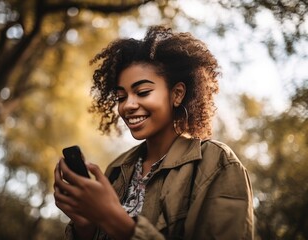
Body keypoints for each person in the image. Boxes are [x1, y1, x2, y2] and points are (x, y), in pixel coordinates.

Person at [54, 25, 254, 240]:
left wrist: (116, 221)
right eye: (121, 97)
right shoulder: (117, 169)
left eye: (143, 92)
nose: (127, 105)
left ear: (177, 94)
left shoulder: (215, 163)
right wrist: (87, 228)